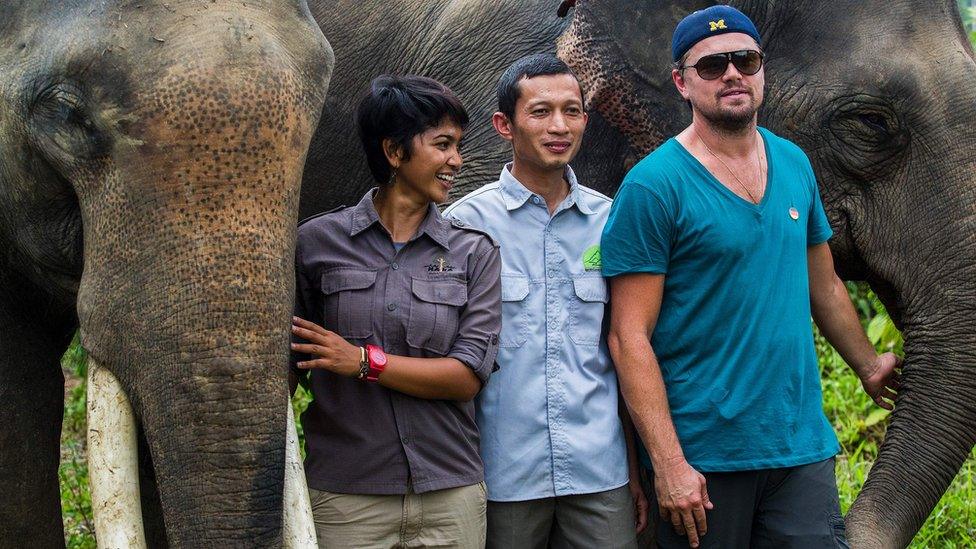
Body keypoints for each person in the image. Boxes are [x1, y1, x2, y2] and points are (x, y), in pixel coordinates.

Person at [600, 5, 900, 549]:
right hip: (703, 456)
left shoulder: (794, 164)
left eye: (746, 59)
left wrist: (869, 364)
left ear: (763, 69)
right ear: (681, 83)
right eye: (713, 66)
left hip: (798, 444)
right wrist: (668, 464)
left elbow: (825, 284)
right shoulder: (653, 186)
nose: (733, 74)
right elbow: (628, 337)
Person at [444, 53, 648, 549]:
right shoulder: (462, 225)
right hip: (501, 473)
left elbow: (624, 348)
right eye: (540, 112)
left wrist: (636, 471)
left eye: (572, 110)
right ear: (503, 125)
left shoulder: (610, 221)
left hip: (600, 472)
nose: (560, 126)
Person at [289, 74, 502, 548]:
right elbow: (282, 371)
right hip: (347, 496)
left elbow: (466, 376)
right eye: (443, 145)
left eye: (458, 146)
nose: (457, 161)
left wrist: (364, 362)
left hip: (450, 494)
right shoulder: (315, 244)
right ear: (394, 151)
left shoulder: (475, 253)